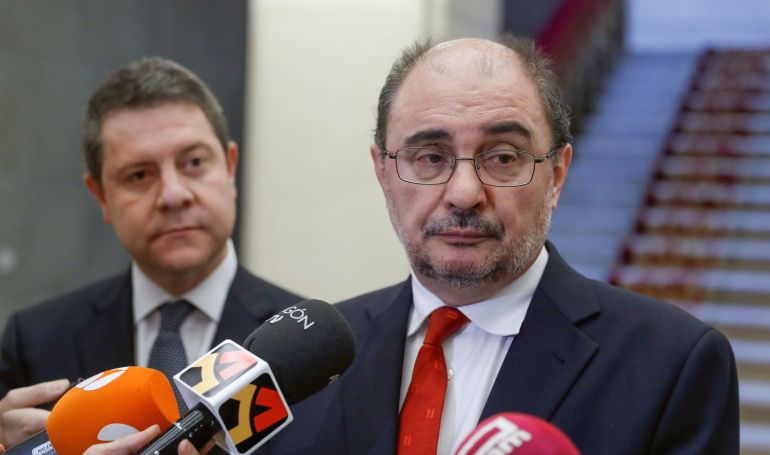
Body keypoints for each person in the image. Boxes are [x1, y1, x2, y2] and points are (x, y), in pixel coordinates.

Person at [266, 36, 739, 454]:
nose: (465, 193)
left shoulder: (673, 364)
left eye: (503, 158)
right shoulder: (306, 364)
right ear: (383, 171)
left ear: (556, 174)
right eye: (430, 157)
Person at [0, 58, 302, 450]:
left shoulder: (305, 347)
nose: (174, 195)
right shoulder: (37, 342)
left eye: (194, 162)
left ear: (229, 167)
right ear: (101, 196)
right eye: (139, 175)